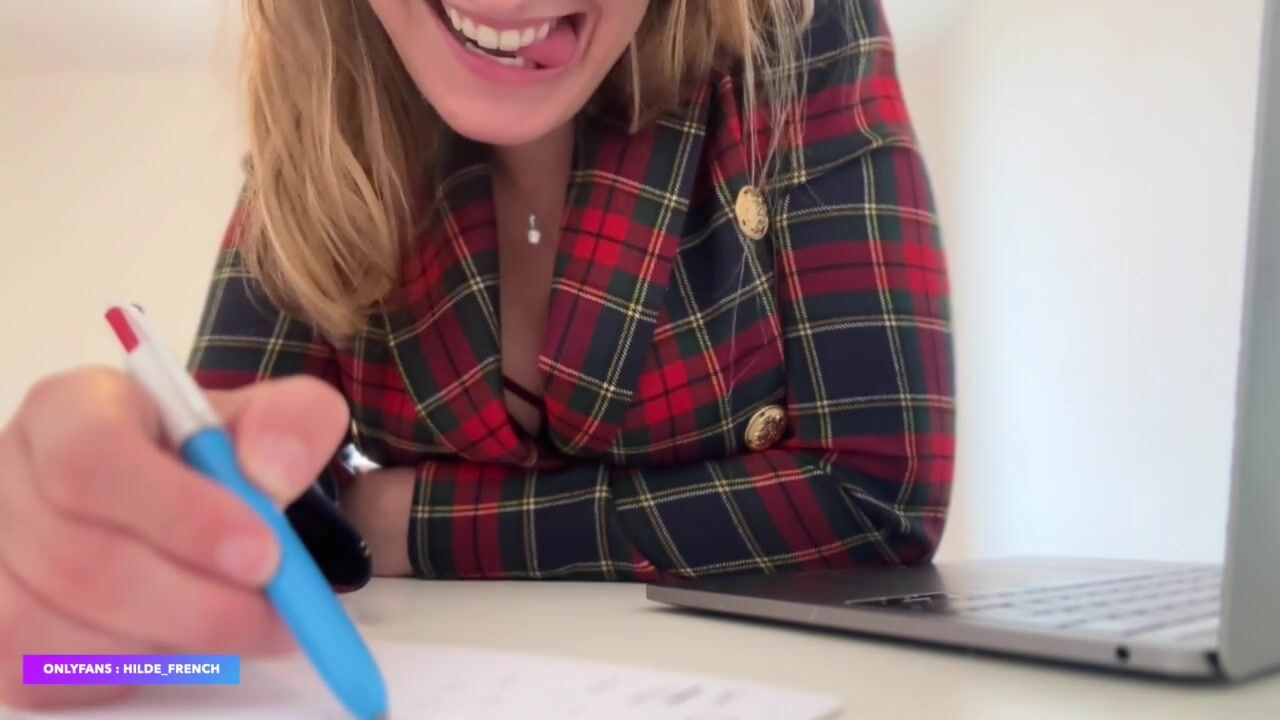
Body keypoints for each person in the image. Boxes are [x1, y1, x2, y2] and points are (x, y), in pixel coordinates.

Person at [0, 0, 954, 709]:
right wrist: (97, 566)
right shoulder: (321, 108)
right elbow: (243, 522)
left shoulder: (798, 26)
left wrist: (405, 521)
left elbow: (878, 495)